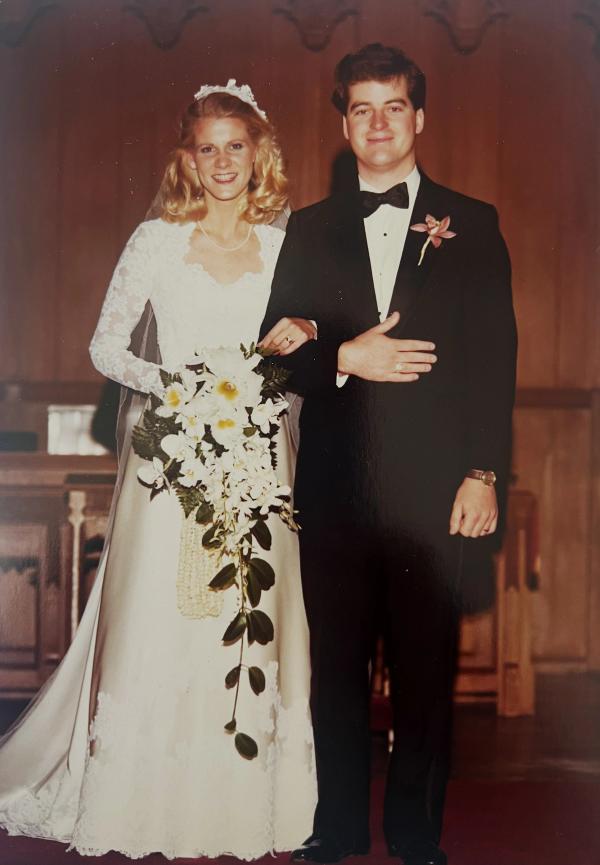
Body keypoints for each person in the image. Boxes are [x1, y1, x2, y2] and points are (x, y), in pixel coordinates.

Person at [0, 82, 318, 859]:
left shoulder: (284, 247)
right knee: (165, 615)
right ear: (188, 157)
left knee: (248, 615)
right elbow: (107, 347)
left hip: (254, 454)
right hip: (170, 459)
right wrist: (177, 389)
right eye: (207, 147)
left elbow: (308, 335)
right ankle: (143, 791)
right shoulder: (155, 241)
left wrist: (303, 334)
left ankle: (245, 791)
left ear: (259, 152)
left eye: (235, 146)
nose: (222, 162)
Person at [260, 43, 517, 865]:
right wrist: (342, 356)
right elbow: (275, 350)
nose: (377, 122)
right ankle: (335, 831)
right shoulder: (307, 228)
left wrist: (484, 472)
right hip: (335, 488)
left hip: (435, 489)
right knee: (334, 670)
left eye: (393, 106)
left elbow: (494, 357)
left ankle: (415, 835)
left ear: (419, 116)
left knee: (422, 672)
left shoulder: (472, 223)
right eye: (361, 108)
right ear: (343, 123)